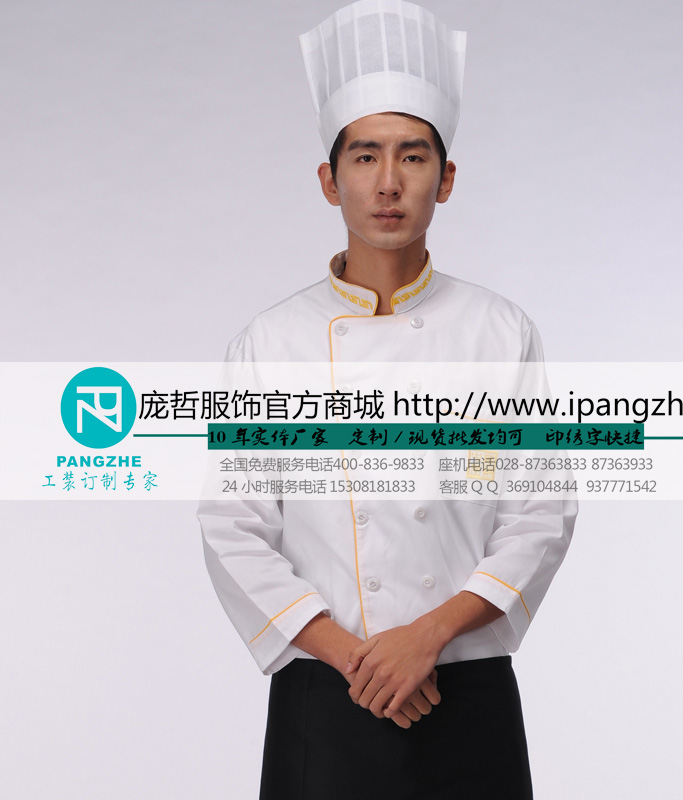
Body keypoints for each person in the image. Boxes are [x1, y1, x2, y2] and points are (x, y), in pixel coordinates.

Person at [198, 2, 577, 797]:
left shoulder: (499, 331)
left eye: (413, 156)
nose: (389, 182)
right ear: (329, 180)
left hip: (466, 689)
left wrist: (425, 637)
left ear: (447, 178)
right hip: (326, 694)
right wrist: (359, 658)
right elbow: (233, 527)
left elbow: (540, 512)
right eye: (365, 156)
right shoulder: (271, 343)